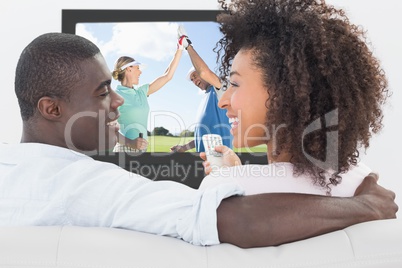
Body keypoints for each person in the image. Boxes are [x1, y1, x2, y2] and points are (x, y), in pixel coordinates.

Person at [0, 32, 397, 249]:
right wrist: (364, 203)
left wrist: (233, 178)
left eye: (234, 85)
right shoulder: (93, 187)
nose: (117, 99)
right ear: (52, 109)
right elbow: (231, 217)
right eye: (104, 92)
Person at [200, 0, 390, 198]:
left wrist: (228, 178)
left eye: (235, 84)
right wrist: (235, 172)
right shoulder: (364, 182)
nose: (222, 101)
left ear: (282, 94)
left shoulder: (226, 187)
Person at [111, 37, 183, 152]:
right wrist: (131, 143)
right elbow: (107, 130)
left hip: (141, 151)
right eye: (137, 68)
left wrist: (180, 49)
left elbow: (167, 76)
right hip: (124, 150)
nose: (140, 72)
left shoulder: (141, 92)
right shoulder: (115, 96)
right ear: (128, 69)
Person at [170, 26, 232, 153]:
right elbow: (201, 137)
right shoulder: (205, 98)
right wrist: (183, 148)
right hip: (205, 160)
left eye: (194, 76)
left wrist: (187, 45)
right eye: (191, 80)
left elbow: (204, 72)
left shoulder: (221, 88)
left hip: (221, 159)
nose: (194, 81)